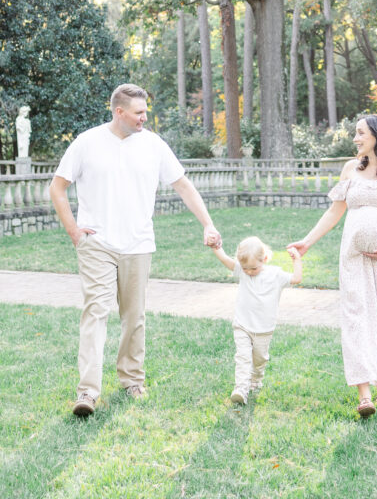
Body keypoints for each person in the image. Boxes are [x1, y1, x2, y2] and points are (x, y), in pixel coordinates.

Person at [49, 83, 222, 417]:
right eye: (139, 112)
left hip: (138, 244)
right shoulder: (87, 142)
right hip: (96, 244)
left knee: (133, 316)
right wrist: (74, 231)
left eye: (146, 111)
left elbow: (183, 185)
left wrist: (208, 223)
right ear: (119, 112)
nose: (145, 117)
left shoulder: (153, 144)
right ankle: (87, 391)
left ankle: (132, 380)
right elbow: (58, 187)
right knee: (96, 312)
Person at [287, 113, 377, 419]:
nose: (355, 138)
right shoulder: (351, 169)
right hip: (354, 258)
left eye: (360, 133)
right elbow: (334, 213)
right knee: (357, 316)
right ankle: (364, 395)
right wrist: (307, 242)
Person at [210, 235, 303, 404]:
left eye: (253, 268)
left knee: (259, 359)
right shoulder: (242, 270)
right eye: (245, 268)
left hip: (264, 329)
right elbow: (225, 260)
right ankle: (241, 389)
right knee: (243, 358)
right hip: (242, 325)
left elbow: (296, 279)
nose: (248, 272)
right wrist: (216, 247)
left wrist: (296, 259)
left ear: (265, 259)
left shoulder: (275, 274)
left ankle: (256, 379)